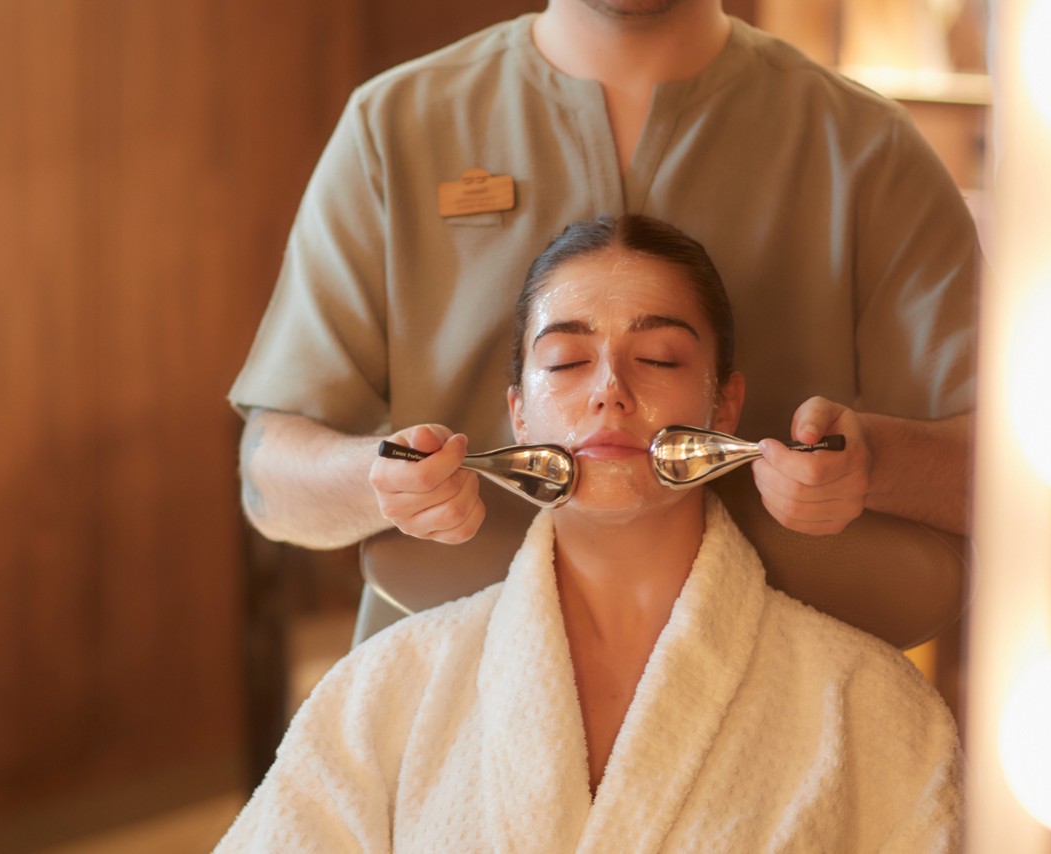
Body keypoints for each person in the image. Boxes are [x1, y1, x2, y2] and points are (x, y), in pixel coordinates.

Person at [215, 216, 961, 852]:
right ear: (519, 416)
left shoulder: (868, 707)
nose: (609, 387)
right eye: (567, 360)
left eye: (659, 358)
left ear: (725, 407)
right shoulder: (381, 695)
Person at [232, 0, 978, 634]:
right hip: (455, 718)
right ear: (515, 407)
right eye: (563, 364)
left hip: (793, 723)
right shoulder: (392, 128)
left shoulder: (867, 151)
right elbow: (272, 481)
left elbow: (1020, 481)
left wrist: (873, 466)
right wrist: (382, 480)